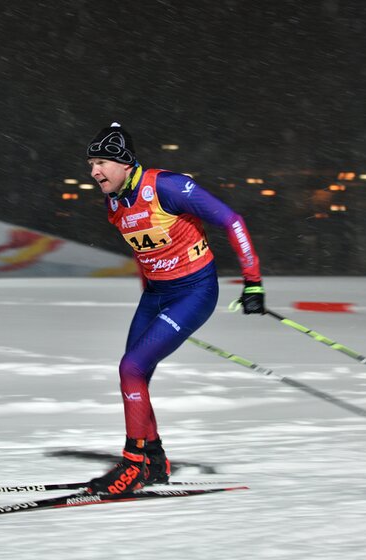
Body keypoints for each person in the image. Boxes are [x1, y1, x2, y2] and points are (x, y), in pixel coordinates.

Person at [84, 122, 266, 494]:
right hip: (156, 295)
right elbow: (143, 251)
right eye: (90, 164)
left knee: (131, 367)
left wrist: (253, 281)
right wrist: (148, 292)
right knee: (135, 371)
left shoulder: (165, 186)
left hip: (194, 292)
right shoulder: (114, 202)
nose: (94, 172)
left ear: (123, 163)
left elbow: (232, 220)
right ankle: (154, 461)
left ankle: (133, 465)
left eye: (101, 162)